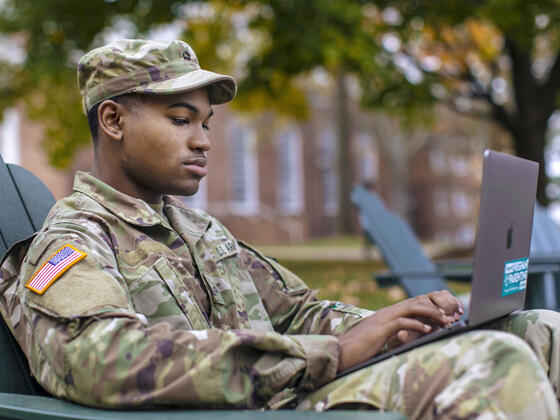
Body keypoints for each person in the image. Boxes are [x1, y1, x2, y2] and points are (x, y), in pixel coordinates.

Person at [0, 38, 559, 419]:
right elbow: (100, 359)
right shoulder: (72, 241)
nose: (203, 141)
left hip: (297, 394)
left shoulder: (201, 232)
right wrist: (326, 354)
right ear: (114, 120)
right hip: (257, 412)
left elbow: (303, 313)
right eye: (179, 120)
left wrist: (396, 324)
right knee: (492, 364)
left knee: (539, 330)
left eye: (205, 123)